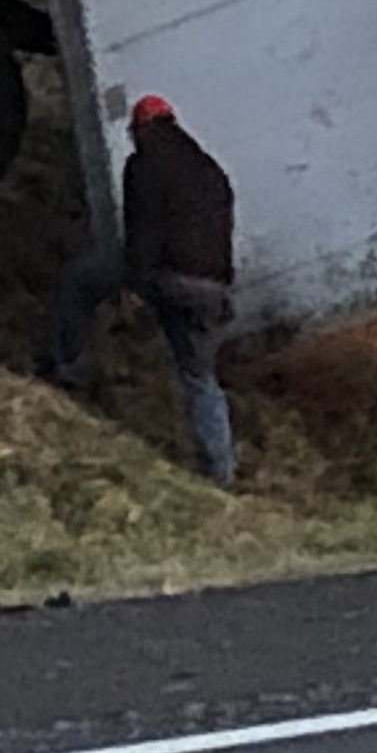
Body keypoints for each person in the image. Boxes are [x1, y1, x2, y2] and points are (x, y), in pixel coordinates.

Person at [43, 92, 237, 486]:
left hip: (164, 276)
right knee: (199, 377)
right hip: (211, 289)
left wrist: (132, 289)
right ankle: (221, 471)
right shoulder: (211, 171)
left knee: (80, 280)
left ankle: (70, 367)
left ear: (140, 129)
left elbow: (143, 233)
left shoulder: (145, 165)